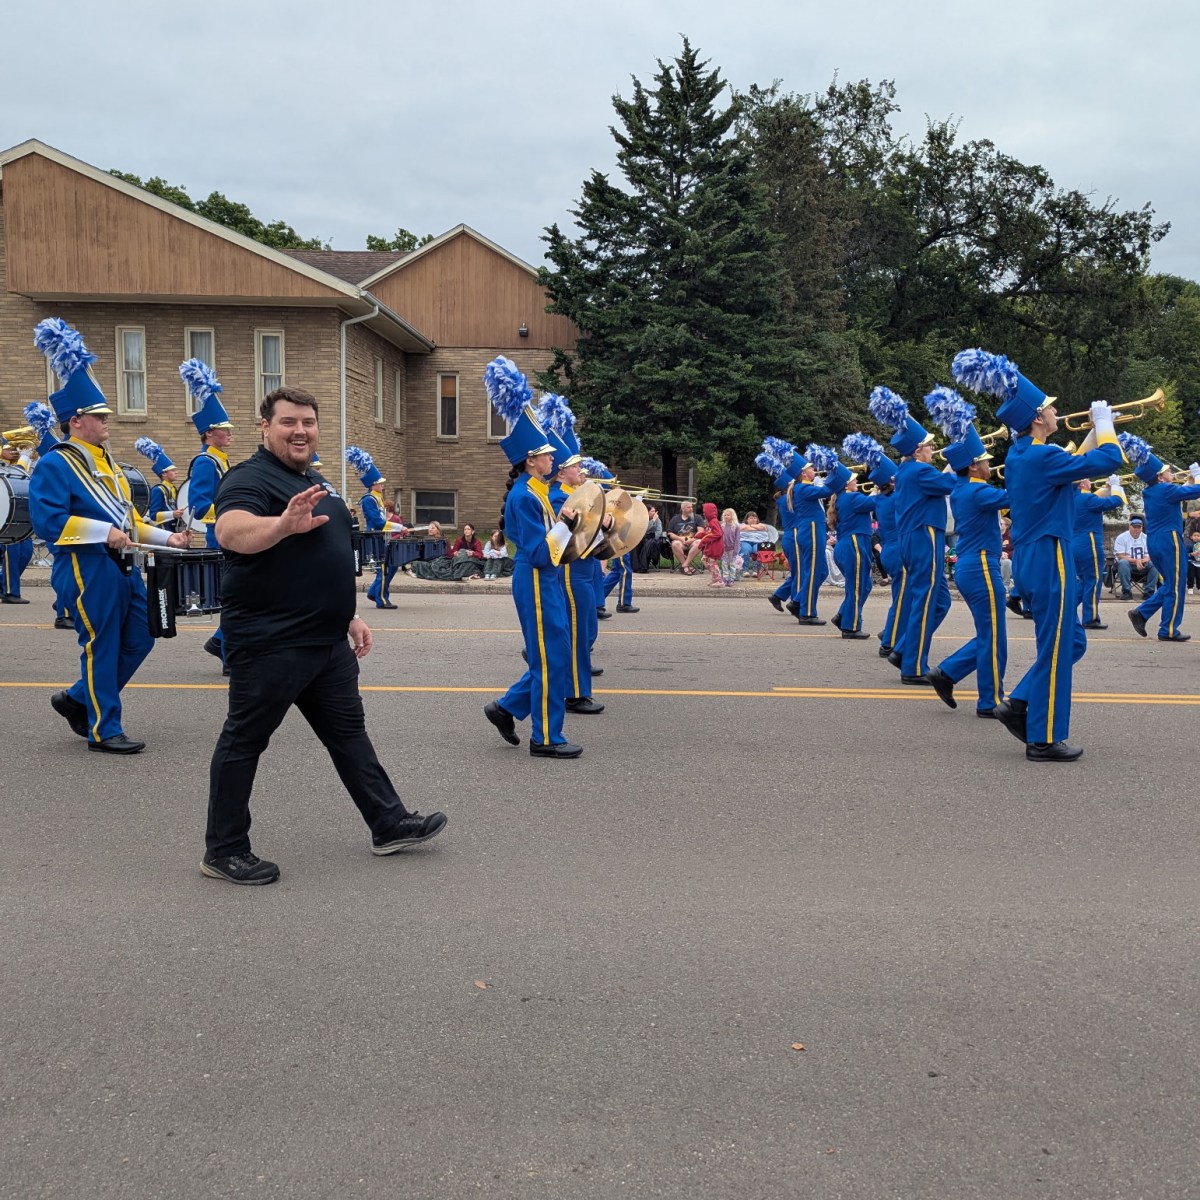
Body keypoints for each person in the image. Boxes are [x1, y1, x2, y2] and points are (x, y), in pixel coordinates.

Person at [202, 385, 447, 885]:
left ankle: (388, 822)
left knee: (349, 735)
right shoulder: (248, 479)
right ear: (265, 428)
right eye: (288, 422)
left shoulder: (315, 480)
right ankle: (223, 849)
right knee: (245, 741)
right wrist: (282, 526)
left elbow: (324, 559)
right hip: (272, 641)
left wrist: (348, 614)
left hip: (326, 641)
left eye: (308, 422)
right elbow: (231, 532)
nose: (300, 431)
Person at [952, 347, 1123, 762]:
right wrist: (1103, 425)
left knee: (1071, 641)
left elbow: (1076, 462)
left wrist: (1099, 428)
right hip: (1051, 555)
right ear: (1035, 419)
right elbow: (1111, 458)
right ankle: (1042, 737)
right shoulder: (1043, 455)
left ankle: (1021, 699)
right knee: (1060, 643)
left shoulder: (1024, 455)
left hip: (1033, 556)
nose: (1054, 410)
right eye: (1048, 407)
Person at [28, 317, 191, 753]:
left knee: (142, 635)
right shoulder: (56, 464)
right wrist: (105, 534)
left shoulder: (110, 466)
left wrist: (165, 538)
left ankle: (79, 699)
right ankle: (104, 729)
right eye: (100, 417)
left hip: (121, 566)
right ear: (77, 420)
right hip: (86, 566)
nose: (107, 423)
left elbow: (129, 521)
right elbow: (50, 524)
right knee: (102, 646)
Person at [482, 357, 583, 758]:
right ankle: (544, 738)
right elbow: (542, 552)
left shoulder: (538, 491)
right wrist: (567, 524)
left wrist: (566, 525)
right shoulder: (525, 496)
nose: (552, 460)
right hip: (538, 579)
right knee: (549, 659)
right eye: (544, 455)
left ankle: (506, 708)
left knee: (555, 655)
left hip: (549, 580)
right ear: (530, 460)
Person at [924, 423, 1009, 717]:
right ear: (973, 467)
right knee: (994, 635)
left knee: (990, 633)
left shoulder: (962, 487)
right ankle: (990, 700)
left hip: (972, 565)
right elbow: (1018, 499)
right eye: (985, 460)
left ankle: (948, 673)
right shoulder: (978, 491)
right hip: (983, 565)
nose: (989, 464)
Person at [884, 392, 954, 684]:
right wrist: (962, 458)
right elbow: (949, 482)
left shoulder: (906, 471)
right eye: (928, 446)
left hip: (918, 538)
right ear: (916, 451)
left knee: (939, 602)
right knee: (925, 601)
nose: (932, 450)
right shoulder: (921, 470)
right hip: (925, 537)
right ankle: (912, 666)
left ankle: (903, 649)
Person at [182, 358, 234, 671]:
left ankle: (219, 641)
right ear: (209, 433)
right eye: (224, 430)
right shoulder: (205, 463)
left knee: (237, 594)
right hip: (221, 534)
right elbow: (200, 505)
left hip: (231, 532)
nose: (229, 434)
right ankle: (226, 653)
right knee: (232, 596)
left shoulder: (221, 461)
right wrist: (233, 513)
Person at [1123, 446, 1200, 641]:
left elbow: (1182, 492)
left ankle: (1142, 613)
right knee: (1176, 586)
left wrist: (1189, 480)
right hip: (1169, 540)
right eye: (1168, 471)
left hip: (1156, 540)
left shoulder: (1152, 491)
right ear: (1160, 477)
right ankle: (1169, 629)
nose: (1172, 472)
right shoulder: (1166, 489)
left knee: (1171, 584)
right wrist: (1197, 476)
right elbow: (1196, 491)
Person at [347, 446, 407, 609]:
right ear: (372, 485)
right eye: (379, 484)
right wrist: (399, 527)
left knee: (391, 566)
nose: (382, 486)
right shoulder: (369, 500)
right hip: (375, 538)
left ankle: (374, 592)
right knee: (384, 569)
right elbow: (378, 522)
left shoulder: (377, 498)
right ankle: (382, 599)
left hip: (383, 537)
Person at [1073, 476, 1124, 629]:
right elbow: (1116, 501)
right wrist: (1115, 486)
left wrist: (1107, 488)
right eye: (1087, 479)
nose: (1090, 481)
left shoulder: (1069, 499)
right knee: (1093, 580)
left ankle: (1064, 608)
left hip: (1074, 543)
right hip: (1089, 544)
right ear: (1082, 482)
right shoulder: (1088, 499)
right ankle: (1090, 618)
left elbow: (1096, 497)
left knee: (1084, 581)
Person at [830, 474, 875, 637]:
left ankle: (842, 614)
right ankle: (851, 627)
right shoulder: (853, 497)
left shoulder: (844, 498)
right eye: (853, 480)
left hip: (848, 544)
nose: (857, 481)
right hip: (854, 544)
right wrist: (883, 487)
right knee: (857, 587)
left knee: (865, 585)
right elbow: (876, 503)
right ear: (846, 485)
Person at [0, 435, 34, 604]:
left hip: (9, 498)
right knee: (10, 551)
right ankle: (9, 591)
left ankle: (4, 585)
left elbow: (14, 474)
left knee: (26, 550)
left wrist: (24, 459)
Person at [135, 437, 183, 529]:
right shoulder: (158, 490)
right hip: (164, 530)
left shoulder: (173, 489)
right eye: (172, 470)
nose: (176, 472)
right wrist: (172, 514)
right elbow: (153, 515)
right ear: (164, 473)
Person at [1112, 516, 1159, 599]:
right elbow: (1120, 556)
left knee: (1155, 563)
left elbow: (1152, 554)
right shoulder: (1121, 538)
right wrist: (1136, 561)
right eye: (1134, 527)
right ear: (1129, 526)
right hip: (1128, 566)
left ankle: (1149, 591)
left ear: (1142, 527)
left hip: (1143, 565)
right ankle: (1126, 591)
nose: (1136, 529)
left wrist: (1147, 559)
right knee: (1123, 562)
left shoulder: (1146, 538)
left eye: (1139, 527)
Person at [667, 501, 704, 574]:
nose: (691, 509)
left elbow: (701, 532)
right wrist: (680, 538)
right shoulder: (675, 519)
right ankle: (686, 567)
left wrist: (692, 540)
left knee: (699, 542)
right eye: (688, 507)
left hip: (693, 541)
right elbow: (669, 533)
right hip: (680, 542)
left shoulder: (697, 518)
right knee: (675, 544)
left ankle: (684, 565)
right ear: (683, 509)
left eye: (691, 507)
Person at [698, 501, 725, 586]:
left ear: (709, 512)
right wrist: (702, 534)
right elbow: (709, 533)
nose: (703, 513)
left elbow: (718, 533)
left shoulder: (713, 521)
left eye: (704, 511)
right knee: (705, 560)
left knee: (712, 562)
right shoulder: (710, 522)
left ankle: (719, 580)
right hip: (711, 545)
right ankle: (715, 578)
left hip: (715, 546)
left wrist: (703, 540)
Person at [719, 507, 741, 584]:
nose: (726, 516)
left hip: (732, 548)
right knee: (724, 563)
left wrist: (736, 549)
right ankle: (725, 577)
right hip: (724, 548)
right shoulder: (722, 526)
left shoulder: (736, 526)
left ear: (732, 516)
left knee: (732, 564)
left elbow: (737, 539)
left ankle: (732, 578)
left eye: (728, 515)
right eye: (725, 515)